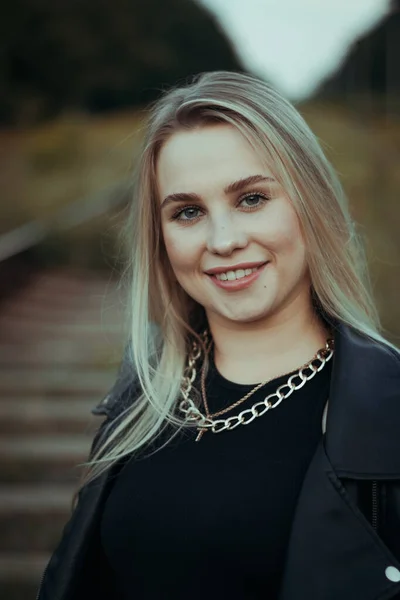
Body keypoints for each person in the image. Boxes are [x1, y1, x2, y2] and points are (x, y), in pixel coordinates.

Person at [37, 71, 400, 600]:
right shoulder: (139, 399)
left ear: (310, 202)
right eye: (188, 212)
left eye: (252, 199)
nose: (224, 240)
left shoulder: (386, 410)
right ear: (161, 239)